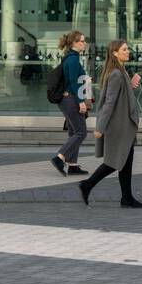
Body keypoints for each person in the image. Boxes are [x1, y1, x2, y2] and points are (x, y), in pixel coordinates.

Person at [79, 39, 142, 209]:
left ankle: (126, 198)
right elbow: (109, 102)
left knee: (125, 161)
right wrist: (100, 127)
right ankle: (87, 185)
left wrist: (130, 85)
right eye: (124, 49)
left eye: (127, 49)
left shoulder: (120, 71)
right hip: (119, 126)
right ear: (115, 53)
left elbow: (120, 96)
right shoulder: (116, 73)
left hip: (124, 125)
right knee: (114, 162)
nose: (128, 51)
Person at [50, 30, 90, 178]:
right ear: (73, 43)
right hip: (71, 99)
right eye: (82, 41)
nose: (84, 43)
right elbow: (74, 82)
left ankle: (72, 165)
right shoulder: (72, 60)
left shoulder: (71, 58)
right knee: (81, 132)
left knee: (74, 132)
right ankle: (60, 157)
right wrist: (81, 102)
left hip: (68, 99)